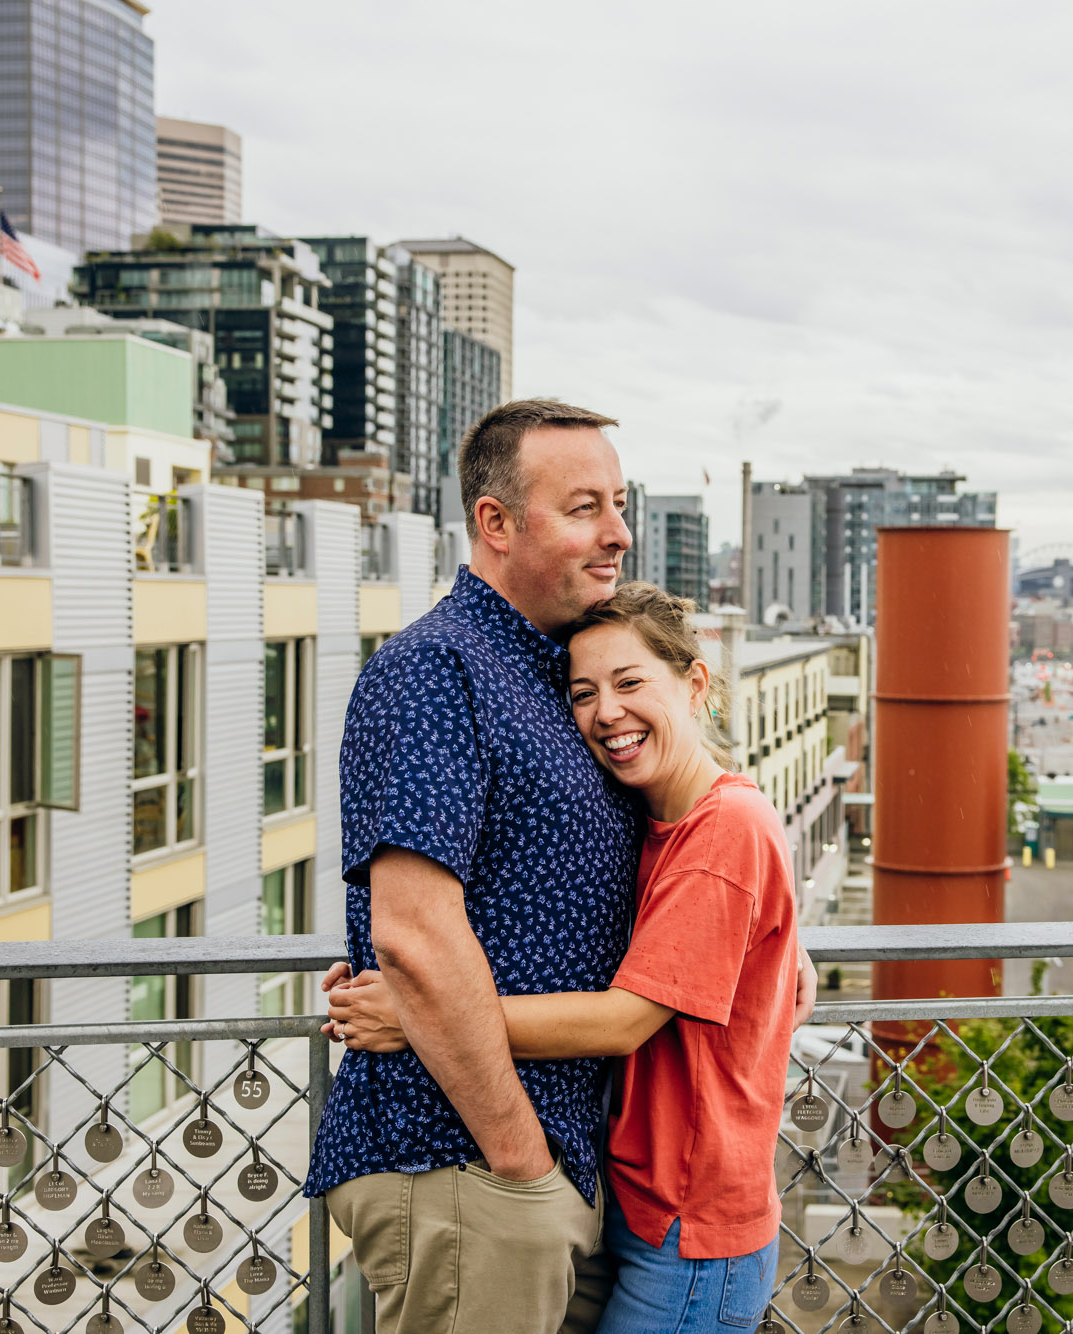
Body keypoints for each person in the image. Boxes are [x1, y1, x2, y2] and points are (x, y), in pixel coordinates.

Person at [308, 399, 815, 1334]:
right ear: (496, 523)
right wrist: (519, 1159)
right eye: (586, 507)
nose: (620, 532)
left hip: (562, 1176)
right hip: (466, 1160)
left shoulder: (551, 671)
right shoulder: (437, 671)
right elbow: (414, 933)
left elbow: (678, 858)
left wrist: (776, 945)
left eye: (618, 503)